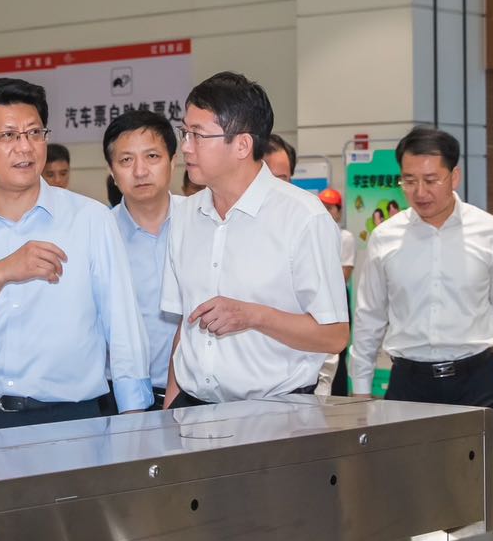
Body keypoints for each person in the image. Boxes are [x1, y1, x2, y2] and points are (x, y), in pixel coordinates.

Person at [0, 77, 152, 433]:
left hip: (72, 424)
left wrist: (134, 420)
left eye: (34, 133)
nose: (25, 147)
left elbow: (123, 326)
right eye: (8, 136)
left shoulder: (90, 219)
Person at [163, 73, 348, 407]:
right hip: (191, 407)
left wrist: (255, 316)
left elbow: (334, 335)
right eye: (184, 133)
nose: (186, 147)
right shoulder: (185, 215)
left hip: (276, 412)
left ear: (242, 145)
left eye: (198, 135)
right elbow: (185, 326)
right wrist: (171, 408)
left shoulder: (303, 217)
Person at [347, 127, 493, 422]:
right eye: (409, 181)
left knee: (477, 456)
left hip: (476, 382)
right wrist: (360, 387)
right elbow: (369, 317)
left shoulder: (489, 231)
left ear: (454, 177)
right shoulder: (384, 237)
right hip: (408, 383)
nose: (420, 192)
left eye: (431, 180)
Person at [105, 109, 188, 394]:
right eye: (126, 160)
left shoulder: (202, 222)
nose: (140, 171)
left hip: (194, 393)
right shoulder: (99, 233)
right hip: (116, 393)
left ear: (172, 161)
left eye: (152, 156)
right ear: (112, 171)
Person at [317, 187, 356, 395]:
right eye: (322, 206)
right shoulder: (313, 234)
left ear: (339, 212)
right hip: (315, 300)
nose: (326, 211)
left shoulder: (345, 237)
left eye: (330, 208)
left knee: (337, 349)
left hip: (336, 298)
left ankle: (339, 395)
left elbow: (344, 275)